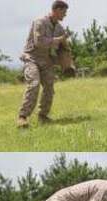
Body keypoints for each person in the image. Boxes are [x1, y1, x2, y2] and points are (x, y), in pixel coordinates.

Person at [17, 0, 69, 128]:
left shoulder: (59, 28)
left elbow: (64, 48)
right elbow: (38, 42)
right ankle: (22, 117)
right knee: (34, 84)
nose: (65, 15)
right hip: (31, 58)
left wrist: (68, 63)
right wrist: (58, 40)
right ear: (57, 10)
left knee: (49, 86)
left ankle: (43, 116)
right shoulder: (39, 22)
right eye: (64, 12)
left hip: (46, 60)